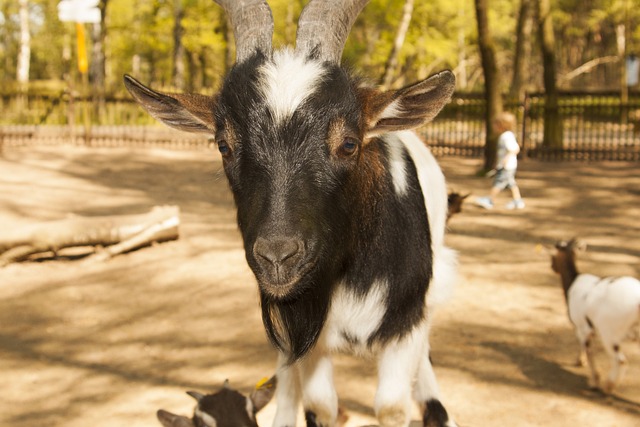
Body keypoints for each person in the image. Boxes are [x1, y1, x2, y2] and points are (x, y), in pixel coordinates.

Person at [475, 112, 525, 210]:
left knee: (498, 182)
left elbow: (515, 149)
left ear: (501, 125)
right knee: (511, 183)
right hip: (509, 166)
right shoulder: (507, 135)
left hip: (506, 166)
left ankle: (489, 200)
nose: (493, 126)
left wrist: (505, 160)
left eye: (495, 124)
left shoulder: (506, 136)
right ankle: (517, 201)